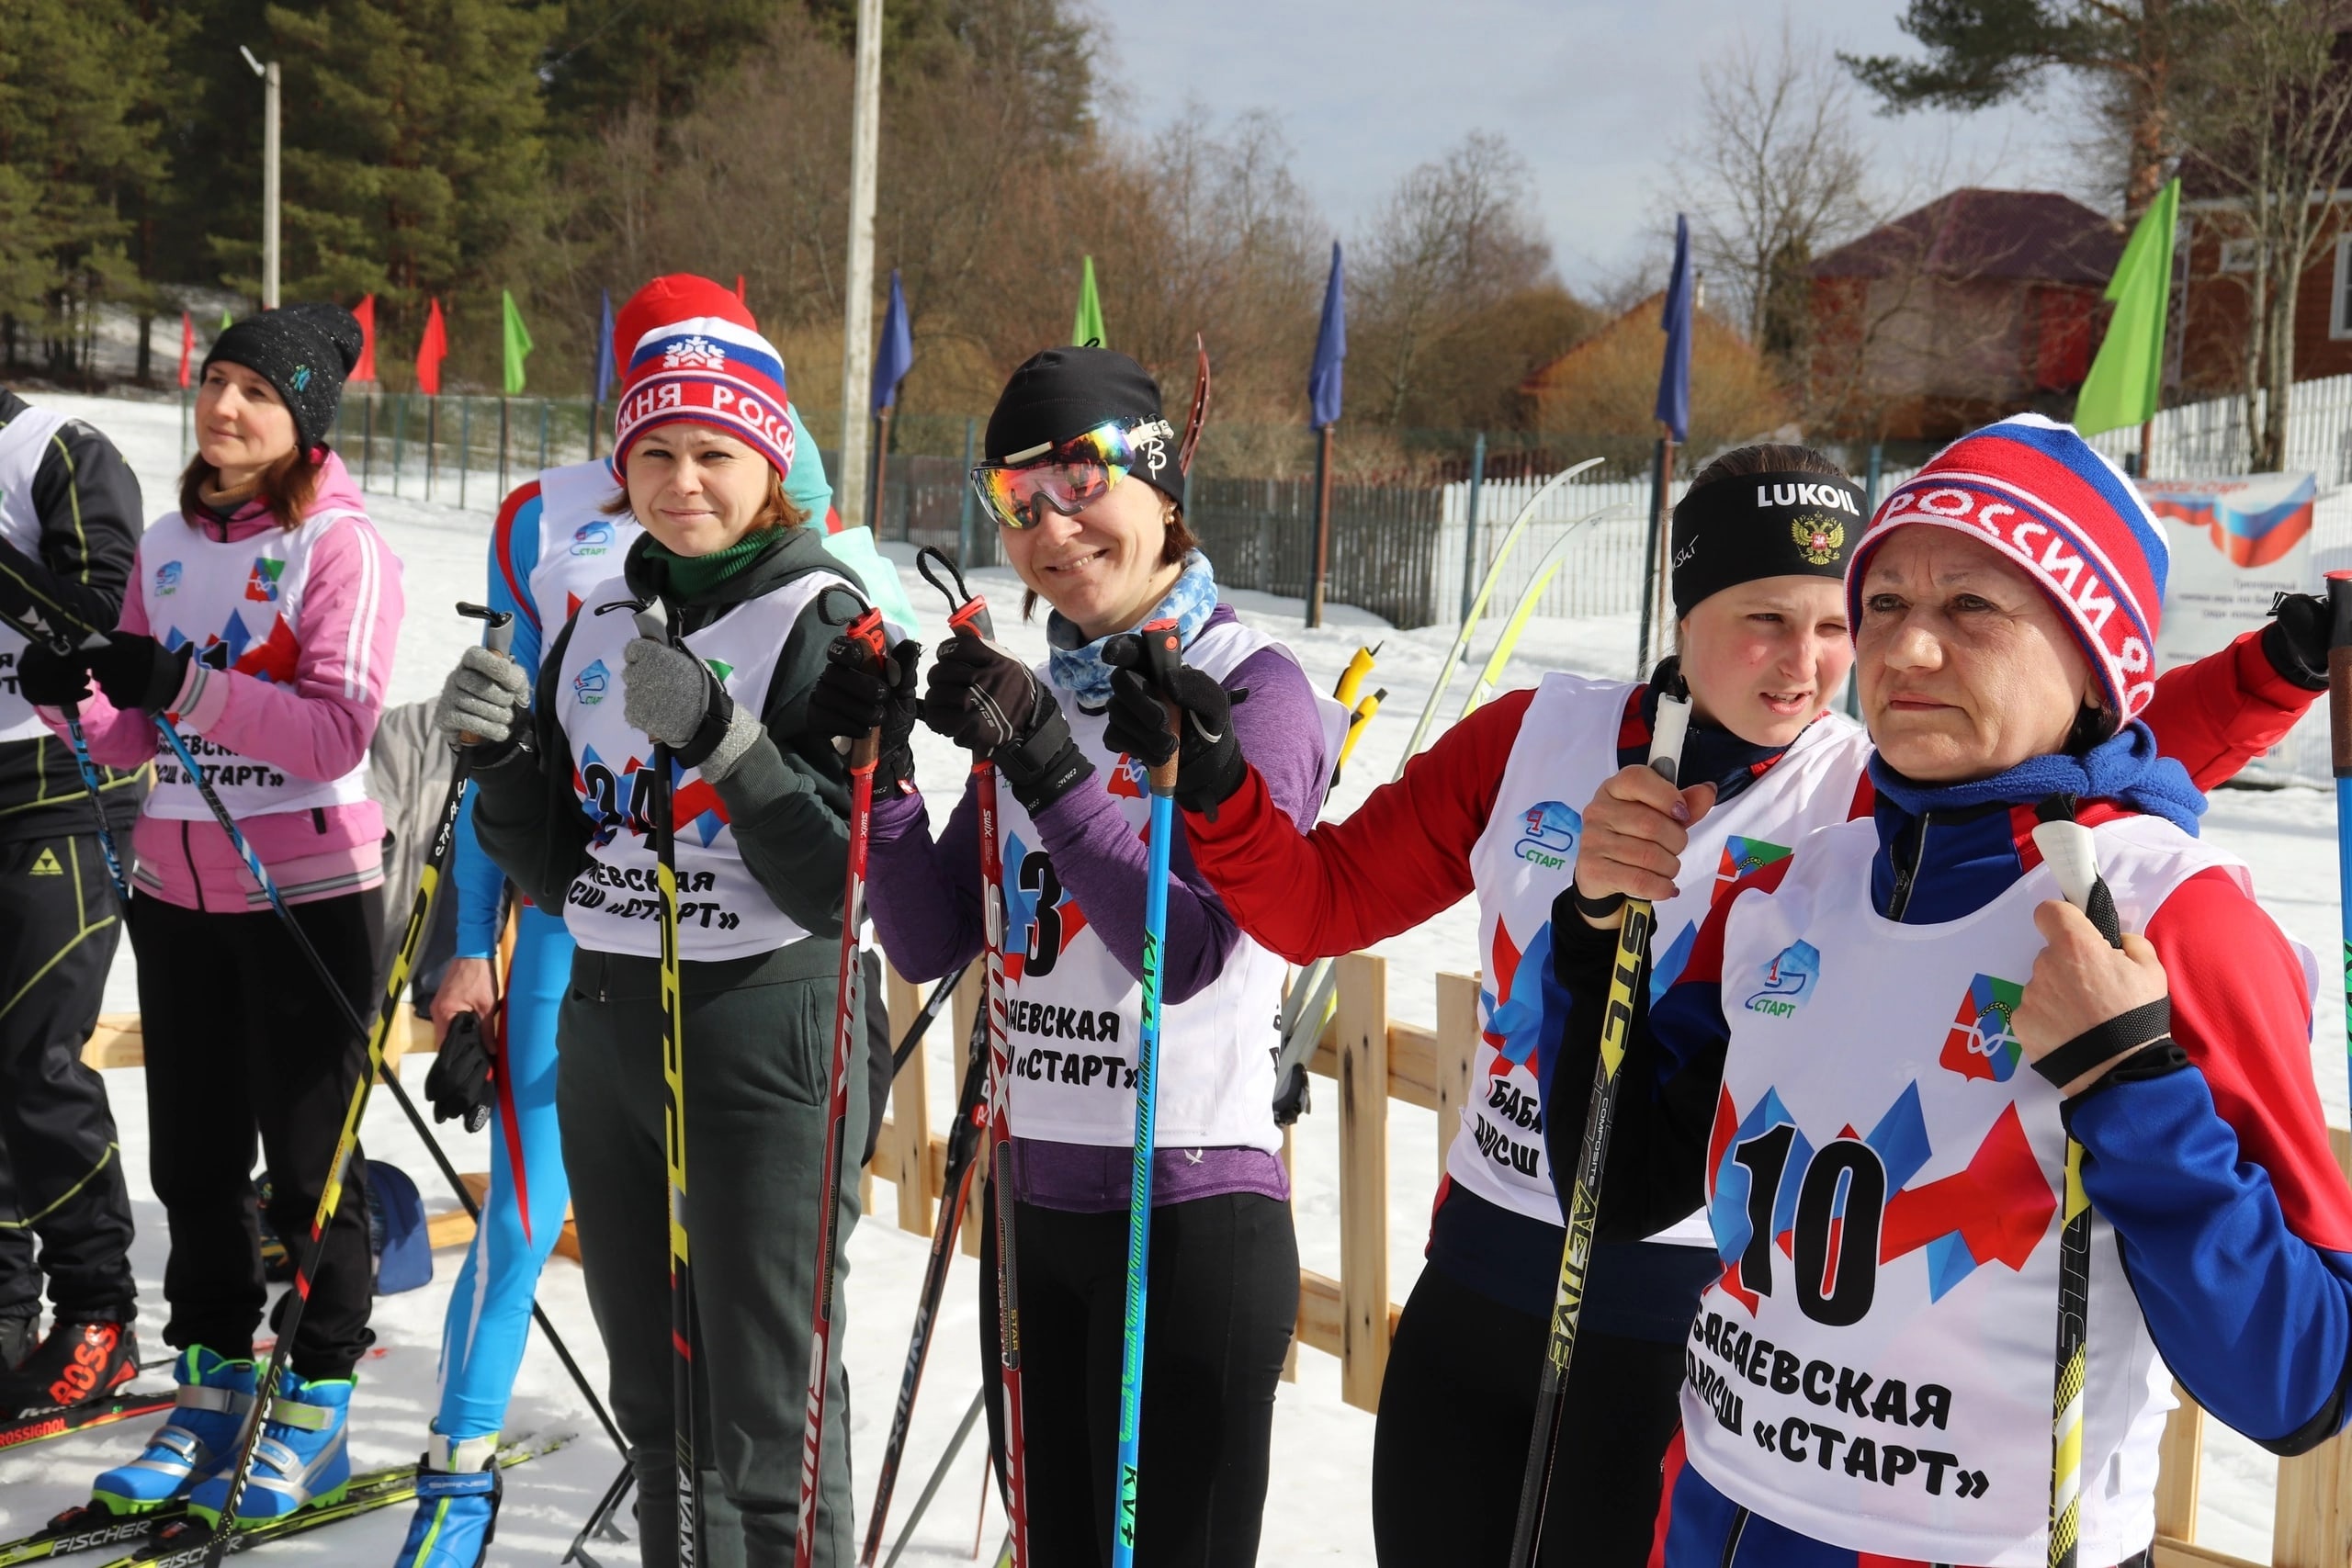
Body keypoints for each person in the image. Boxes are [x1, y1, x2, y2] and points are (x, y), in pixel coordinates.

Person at [1146, 440, 2326, 1565]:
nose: (1815, 664)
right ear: (1684, 611)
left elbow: (2083, 748)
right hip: (1512, 1275)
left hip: (1693, 1325)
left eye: (1829, 624)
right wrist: (1218, 787)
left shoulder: (1856, 794)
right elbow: (1324, 902)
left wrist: (2275, 672)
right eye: (1771, 618)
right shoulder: (1552, 742)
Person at [1545, 413, 2352, 1567]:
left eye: (1973, 607)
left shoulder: (2172, 917)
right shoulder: (1797, 885)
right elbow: (1613, 1193)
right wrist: (1591, 936)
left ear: (2092, 658)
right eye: (1883, 605)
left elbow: (2300, 1379)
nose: (1905, 651)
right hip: (1716, 1518)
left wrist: (2136, 1086)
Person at [811, 344, 1345, 1567]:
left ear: (1161, 487)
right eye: (1018, 497)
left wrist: (1048, 762)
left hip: (1191, 1204)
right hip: (1037, 1200)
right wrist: (882, 776)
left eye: (1080, 478)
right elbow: (937, 933)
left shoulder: (1252, 689)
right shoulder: (1039, 690)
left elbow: (1196, 944)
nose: (1053, 526)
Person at [393, 275, 861, 1568]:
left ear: (770, 466)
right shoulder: (598, 616)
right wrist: (502, 763)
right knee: (656, 1409)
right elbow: (557, 861)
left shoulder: (818, 618)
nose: (684, 481)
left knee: (768, 1420)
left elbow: (841, 882)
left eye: (717, 453)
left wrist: (728, 740)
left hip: (765, 1020)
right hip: (610, 1012)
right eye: (655, 452)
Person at [17, 304, 401, 1524]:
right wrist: (72, 694)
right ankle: (215, 1387)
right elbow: (135, 728)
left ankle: (320, 1400)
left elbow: (336, 727)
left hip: (305, 890)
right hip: (175, 890)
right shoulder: (173, 540)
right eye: (217, 382)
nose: (225, 408)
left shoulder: (343, 544)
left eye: (259, 395)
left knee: (308, 1172)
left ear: (306, 423)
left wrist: (178, 679)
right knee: (191, 1164)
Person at [0, 389, 147, 1416]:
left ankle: (100, 1313)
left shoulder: (55, 444)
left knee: (34, 1056)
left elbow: (102, 624)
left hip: (61, 783)